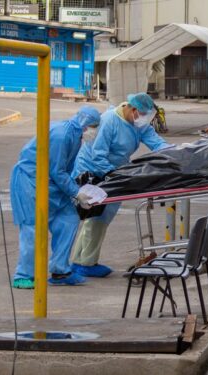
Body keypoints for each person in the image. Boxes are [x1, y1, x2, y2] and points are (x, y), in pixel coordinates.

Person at [70, 93, 171, 278]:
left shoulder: (139, 123)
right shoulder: (109, 121)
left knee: (102, 216)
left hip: (115, 172)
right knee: (95, 215)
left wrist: (176, 154)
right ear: (133, 110)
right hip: (93, 170)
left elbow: (157, 143)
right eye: (142, 116)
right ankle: (85, 263)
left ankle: (81, 260)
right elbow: (97, 154)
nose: (143, 121)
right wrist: (113, 175)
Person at [10, 106, 102, 289]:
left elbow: (64, 169)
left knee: (69, 219)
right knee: (32, 228)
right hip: (31, 182)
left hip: (52, 185)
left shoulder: (75, 136)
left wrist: (76, 188)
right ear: (85, 124)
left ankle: (60, 269)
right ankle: (24, 274)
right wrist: (76, 193)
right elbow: (57, 170)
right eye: (94, 126)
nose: (94, 130)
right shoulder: (61, 135)